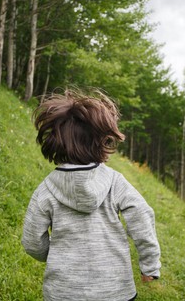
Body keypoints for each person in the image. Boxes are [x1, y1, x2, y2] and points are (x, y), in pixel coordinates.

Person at [22, 88, 161, 301]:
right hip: (115, 291)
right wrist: (150, 265)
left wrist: (55, 255)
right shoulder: (115, 181)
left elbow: (32, 241)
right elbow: (141, 214)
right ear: (102, 142)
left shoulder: (46, 189)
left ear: (55, 141)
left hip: (63, 293)